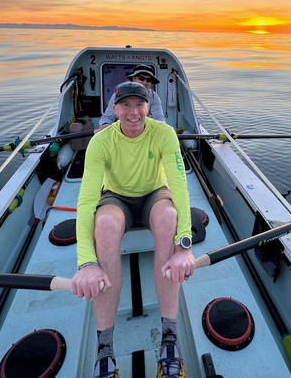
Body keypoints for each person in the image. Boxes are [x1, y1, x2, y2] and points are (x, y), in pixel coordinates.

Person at [72, 81, 194, 378]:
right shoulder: (101, 141)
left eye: (139, 104)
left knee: (168, 217)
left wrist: (184, 245)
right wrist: (86, 262)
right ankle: (104, 350)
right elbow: (87, 201)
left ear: (148, 107)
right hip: (117, 198)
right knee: (103, 223)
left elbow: (179, 187)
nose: (133, 111)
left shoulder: (164, 134)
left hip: (155, 194)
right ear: (114, 110)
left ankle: (169, 340)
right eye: (125, 105)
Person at [98, 64, 165, 130]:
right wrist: (105, 124)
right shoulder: (118, 94)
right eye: (141, 78)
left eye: (148, 80)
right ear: (133, 79)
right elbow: (108, 117)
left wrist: (162, 129)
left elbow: (159, 118)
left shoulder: (154, 97)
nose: (145, 82)